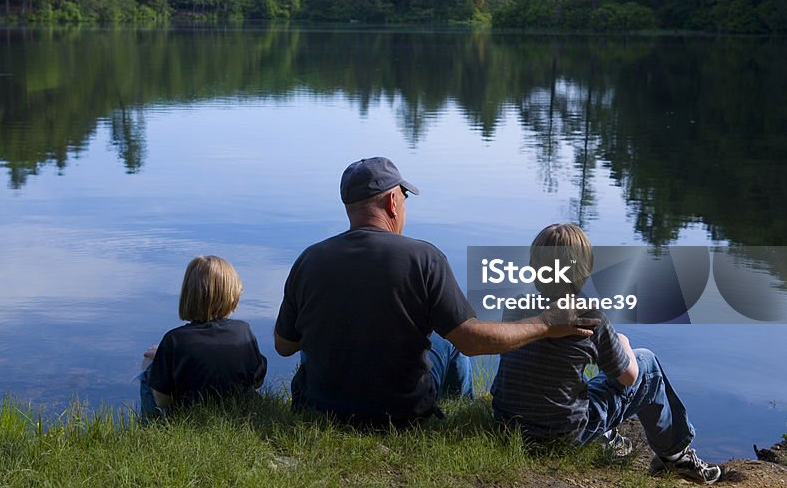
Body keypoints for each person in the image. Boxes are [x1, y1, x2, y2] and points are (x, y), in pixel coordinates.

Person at [273, 156, 597, 427]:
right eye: (405, 197)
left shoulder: (309, 258)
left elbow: (284, 345)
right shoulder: (424, 258)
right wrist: (546, 323)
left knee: (320, 335)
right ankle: (466, 408)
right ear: (392, 202)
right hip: (399, 414)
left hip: (316, 410)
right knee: (449, 335)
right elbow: (471, 342)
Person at [491, 223, 724, 485]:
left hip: (507, 425)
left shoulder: (515, 309)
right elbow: (629, 378)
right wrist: (622, 342)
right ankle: (675, 456)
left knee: (572, 382)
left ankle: (609, 437)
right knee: (647, 364)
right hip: (561, 434)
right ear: (585, 271)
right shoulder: (589, 318)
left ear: (534, 268)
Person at [139, 255, 267, 418]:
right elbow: (257, 381)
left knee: (148, 366)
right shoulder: (243, 331)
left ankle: (149, 426)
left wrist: (160, 361)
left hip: (187, 417)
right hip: (239, 412)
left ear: (188, 294)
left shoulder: (174, 340)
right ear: (232, 295)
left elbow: (163, 401)